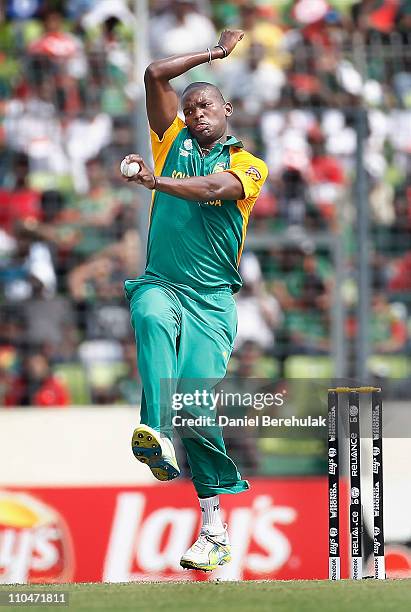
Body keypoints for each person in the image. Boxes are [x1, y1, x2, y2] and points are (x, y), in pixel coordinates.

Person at [122, 30, 268, 572]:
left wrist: (154, 181)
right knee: (149, 311)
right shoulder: (171, 139)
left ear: (227, 109)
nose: (197, 110)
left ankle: (213, 526)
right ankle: (155, 432)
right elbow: (156, 74)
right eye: (189, 106)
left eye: (206, 102)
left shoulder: (250, 166)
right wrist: (211, 52)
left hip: (211, 303)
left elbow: (212, 190)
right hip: (164, 283)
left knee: (196, 406)